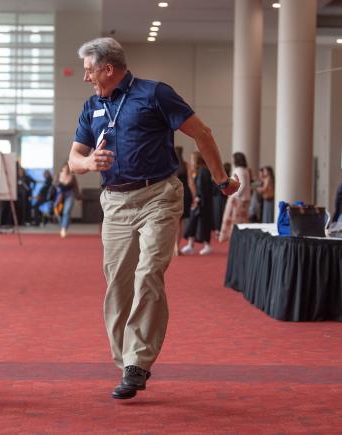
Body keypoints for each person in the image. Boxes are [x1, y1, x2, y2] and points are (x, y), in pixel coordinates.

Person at [68, 37, 239, 400]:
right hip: (114, 202)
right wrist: (87, 164)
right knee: (117, 284)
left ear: (107, 68)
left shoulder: (155, 94)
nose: (85, 78)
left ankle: (137, 363)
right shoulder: (92, 106)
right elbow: (74, 160)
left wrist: (221, 179)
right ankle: (125, 358)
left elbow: (202, 133)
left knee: (149, 273)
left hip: (158, 196)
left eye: (88, 71)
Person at [181, 151, 215, 255]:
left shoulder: (203, 171)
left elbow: (203, 188)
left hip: (203, 202)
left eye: (192, 159)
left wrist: (198, 198)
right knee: (193, 223)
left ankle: (207, 245)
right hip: (199, 201)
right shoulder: (198, 171)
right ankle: (190, 244)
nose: (191, 162)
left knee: (203, 224)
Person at [219, 152, 251, 241]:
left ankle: (232, 237)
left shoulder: (239, 170)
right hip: (244, 198)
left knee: (235, 219)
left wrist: (235, 195)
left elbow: (242, 185)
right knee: (242, 219)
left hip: (238, 199)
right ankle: (240, 238)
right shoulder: (245, 170)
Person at [53, 162, 81, 238]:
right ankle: (63, 225)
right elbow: (54, 185)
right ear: (62, 168)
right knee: (58, 211)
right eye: (65, 168)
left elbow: (76, 188)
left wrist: (78, 198)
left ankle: (63, 228)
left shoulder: (72, 177)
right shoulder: (58, 175)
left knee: (66, 211)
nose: (66, 169)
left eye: (68, 168)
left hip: (70, 195)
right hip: (60, 196)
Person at [174, 146, 192, 255]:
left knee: (172, 223)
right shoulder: (186, 165)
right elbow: (190, 182)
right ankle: (177, 247)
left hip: (174, 193)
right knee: (180, 223)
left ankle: (171, 248)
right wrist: (194, 197)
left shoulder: (171, 165)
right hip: (185, 193)